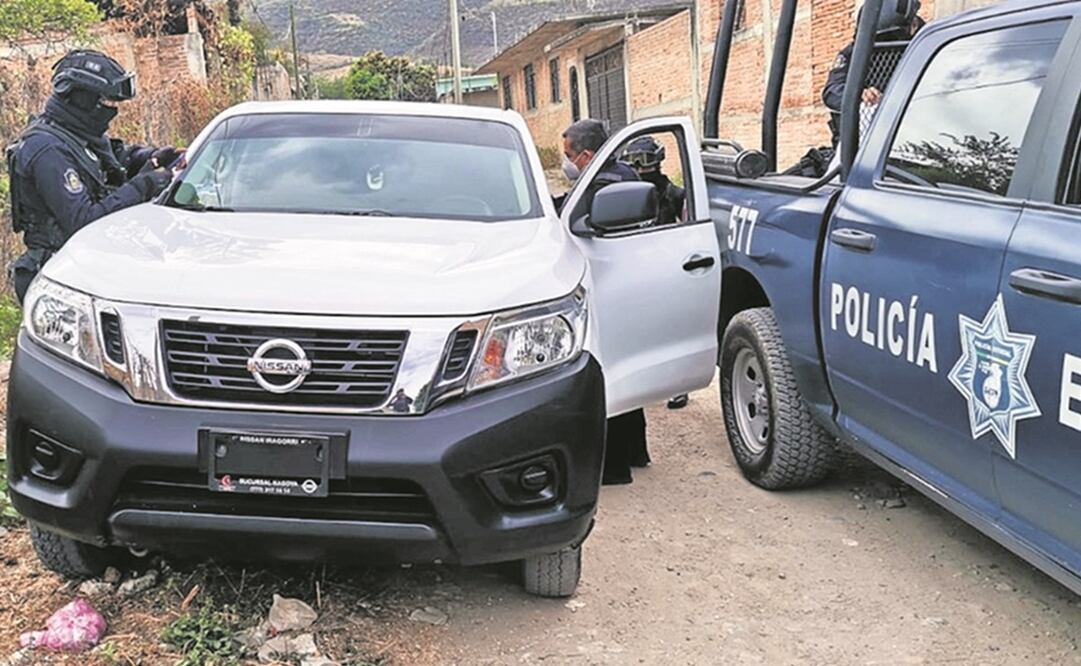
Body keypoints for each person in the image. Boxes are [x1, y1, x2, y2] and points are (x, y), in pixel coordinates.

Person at [6, 49, 182, 303]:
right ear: (83, 99)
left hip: (88, 269)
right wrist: (144, 185)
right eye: (107, 103)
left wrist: (153, 156)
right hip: (59, 278)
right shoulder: (47, 150)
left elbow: (114, 158)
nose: (112, 110)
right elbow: (82, 221)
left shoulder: (76, 133)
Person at [557, 119, 650, 484]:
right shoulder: (624, 173)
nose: (567, 163)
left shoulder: (601, 185)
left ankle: (613, 468)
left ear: (587, 155)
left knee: (605, 373)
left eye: (569, 156)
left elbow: (571, 223)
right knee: (625, 367)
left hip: (610, 284)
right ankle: (636, 452)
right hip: (632, 283)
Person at [623, 135, 691, 410]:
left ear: (658, 160)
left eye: (646, 160)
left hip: (665, 268)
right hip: (635, 268)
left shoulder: (674, 193)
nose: (640, 167)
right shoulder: (625, 194)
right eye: (634, 161)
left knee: (673, 330)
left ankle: (678, 385)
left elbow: (688, 230)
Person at [821, 6, 925, 146]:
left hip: (916, 130)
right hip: (865, 138)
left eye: (889, 38)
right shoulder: (853, 52)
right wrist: (858, 95)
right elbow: (831, 92)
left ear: (914, 25)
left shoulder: (927, 45)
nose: (885, 45)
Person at [557, 119, 639, 215]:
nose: (566, 162)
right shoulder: (627, 171)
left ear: (586, 157)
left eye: (569, 156)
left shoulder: (599, 189)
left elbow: (570, 214)